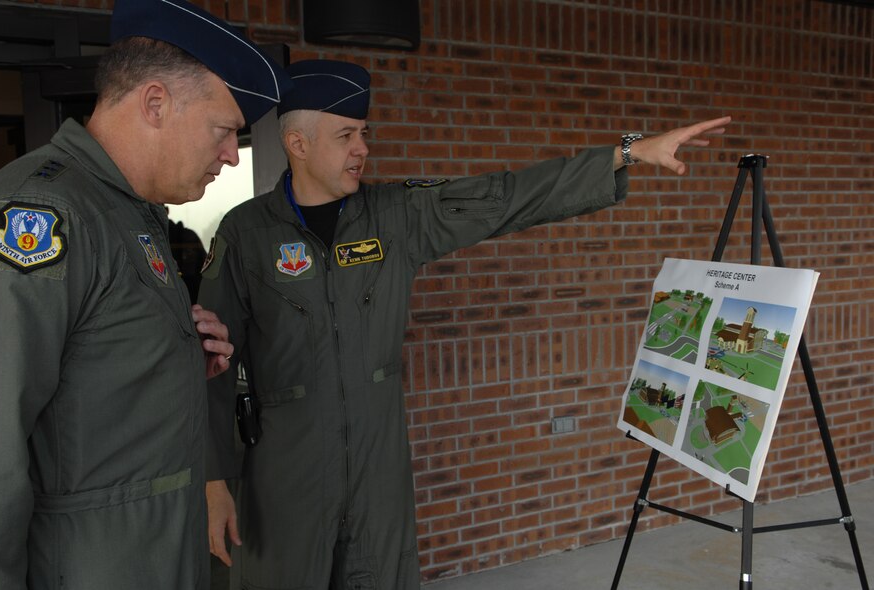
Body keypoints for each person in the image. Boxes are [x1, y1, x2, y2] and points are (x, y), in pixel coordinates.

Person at [199, 59, 731, 590]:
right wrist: (213, 481)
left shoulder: (395, 215)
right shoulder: (246, 234)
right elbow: (213, 367)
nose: (362, 147)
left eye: (364, 133)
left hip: (377, 473)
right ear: (298, 144)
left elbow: (504, 199)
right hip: (283, 475)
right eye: (345, 135)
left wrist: (627, 152)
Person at [0, 0, 291, 588]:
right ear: (155, 103)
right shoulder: (44, 212)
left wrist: (171, 360)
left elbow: (87, 377)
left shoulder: (129, 213)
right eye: (225, 130)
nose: (232, 155)